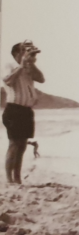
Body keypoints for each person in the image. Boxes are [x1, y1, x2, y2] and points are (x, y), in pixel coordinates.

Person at [2, 40, 45, 184]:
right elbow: (7, 81)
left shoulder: (28, 67)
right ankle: (9, 179)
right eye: (26, 52)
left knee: (22, 146)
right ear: (17, 53)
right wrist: (21, 65)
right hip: (14, 109)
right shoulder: (9, 66)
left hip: (26, 111)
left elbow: (41, 79)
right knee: (14, 144)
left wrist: (31, 64)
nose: (29, 55)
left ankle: (17, 178)